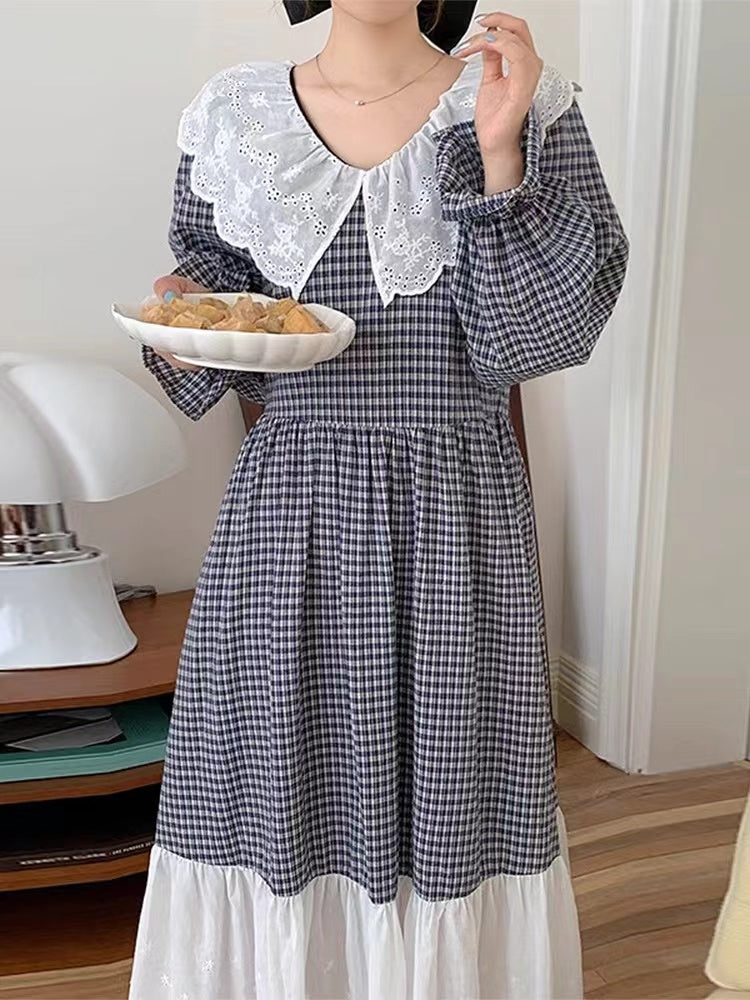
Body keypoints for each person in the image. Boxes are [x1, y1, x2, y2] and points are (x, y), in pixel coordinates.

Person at [128, 2, 629, 997]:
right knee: (276, 783)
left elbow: (537, 341)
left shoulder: (528, 103)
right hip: (290, 512)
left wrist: (499, 151)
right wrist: (183, 320)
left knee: (456, 799)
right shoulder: (236, 113)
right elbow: (211, 298)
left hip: (456, 515)